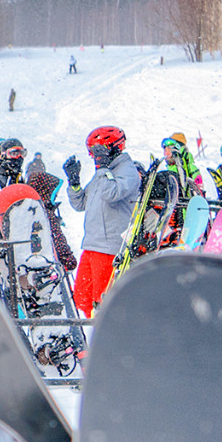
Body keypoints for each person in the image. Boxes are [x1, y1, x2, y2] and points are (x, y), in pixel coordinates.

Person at [64, 125, 142, 317]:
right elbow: (81, 203)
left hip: (109, 247)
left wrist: (102, 168)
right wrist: (74, 183)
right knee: (81, 298)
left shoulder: (127, 171)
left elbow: (111, 193)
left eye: (96, 152)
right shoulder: (104, 172)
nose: (92, 157)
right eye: (91, 152)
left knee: (102, 302)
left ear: (111, 148)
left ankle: (106, 338)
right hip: (92, 244)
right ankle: (89, 337)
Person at [22, 156, 77, 273]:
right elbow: (59, 243)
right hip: (50, 269)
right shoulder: (46, 214)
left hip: (31, 268)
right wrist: (69, 261)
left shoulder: (27, 211)